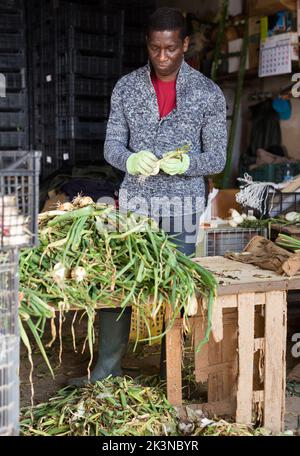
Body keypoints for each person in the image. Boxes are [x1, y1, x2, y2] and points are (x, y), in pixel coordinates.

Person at [68, 7, 227, 387]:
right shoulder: (127, 87)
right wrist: (130, 158)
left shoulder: (208, 93)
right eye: (155, 48)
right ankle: (106, 372)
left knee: (176, 291)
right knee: (116, 285)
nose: (162, 56)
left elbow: (217, 157)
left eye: (170, 48)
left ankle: (171, 374)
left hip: (182, 207)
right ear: (148, 45)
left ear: (184, 44)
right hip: (135, 207)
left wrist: (187, 163)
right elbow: (111, 148)